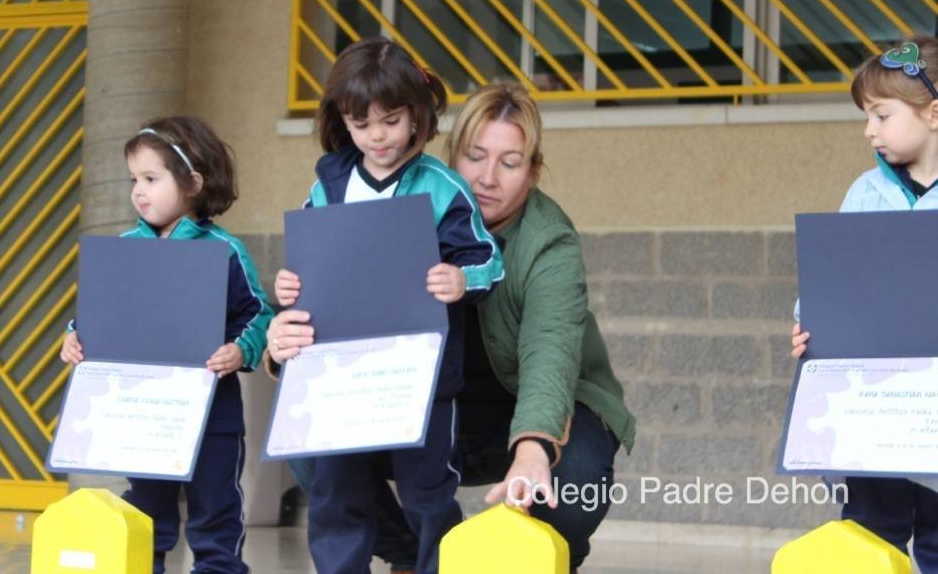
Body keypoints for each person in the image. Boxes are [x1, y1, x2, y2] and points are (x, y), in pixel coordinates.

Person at [270, 82, 635, 574]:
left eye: (509, 163)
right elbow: (330, 301)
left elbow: (550, 351)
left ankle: (543, 557)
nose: (487, 177)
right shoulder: (402, 209)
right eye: (474, 156)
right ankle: (417, 557)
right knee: (312, 449)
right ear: (449, 159)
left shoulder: (550, 241)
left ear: (532, 172)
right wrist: (279, 346)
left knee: (576, 482)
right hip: (426, 411)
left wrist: (533, 447)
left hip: (527, 410)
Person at [272, 37, 504, 574]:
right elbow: (310, 265)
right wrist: (290, 286)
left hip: (421, 380)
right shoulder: (328, 184)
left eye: (391, 120)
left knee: (428, 495)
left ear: (419, 114)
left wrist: (459, 278)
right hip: (339, 376)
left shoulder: (442, 188)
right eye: (360, 123)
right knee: (335, 493)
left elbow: (490, 261)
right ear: (342, 122)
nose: (377, 136)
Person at [60, 116, 273, 574]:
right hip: (144, 415)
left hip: (213, 417)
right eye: (134, 179)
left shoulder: (226, 250)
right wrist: (74, 338)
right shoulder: (125, 247)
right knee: (147, 513)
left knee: (215, 512)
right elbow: (97, 314)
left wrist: (241, 349)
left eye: (151, 179)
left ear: (193, 183)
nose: (138, 190)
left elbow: (257, 314)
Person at [791, 37, 938, 572]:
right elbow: (834, 280)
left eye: (881, 115)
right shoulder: (866, 191)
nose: (869, 130)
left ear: (936, 114)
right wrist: (808, 325)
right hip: (870, 405)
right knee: (871, 536)